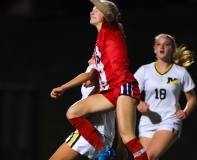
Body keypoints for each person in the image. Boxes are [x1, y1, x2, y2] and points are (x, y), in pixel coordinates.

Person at [50, 0, 148, 160]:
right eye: (92, 9)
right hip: (109, 92)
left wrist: (66, 86)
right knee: (73, 112)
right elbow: (93, 74)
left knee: (128, 137)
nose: (92, 11)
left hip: (122, 84)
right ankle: (103, 150)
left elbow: (109, 14)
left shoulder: (112, 28)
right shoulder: (99, 45)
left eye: (97, 9)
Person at [134, 34, 197, 160]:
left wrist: (186, 112)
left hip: (169, 120)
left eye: (166, 44)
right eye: (158, 44)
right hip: (147, 122)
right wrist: (138, 103)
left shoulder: (180, 72)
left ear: (172, 49)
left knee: (148, 157)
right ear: (154, 49)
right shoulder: (144, 70)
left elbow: (192, 99)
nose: (162, 47)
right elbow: (129, 94)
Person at [49, 56, 120, 160]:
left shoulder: (96, 66)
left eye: (92, 57)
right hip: (108, 137)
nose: (88, 60)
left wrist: (63, 87)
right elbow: (119, 112)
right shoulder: (113, 78)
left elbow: (89, 74)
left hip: (91, 132)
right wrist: (121, 142)